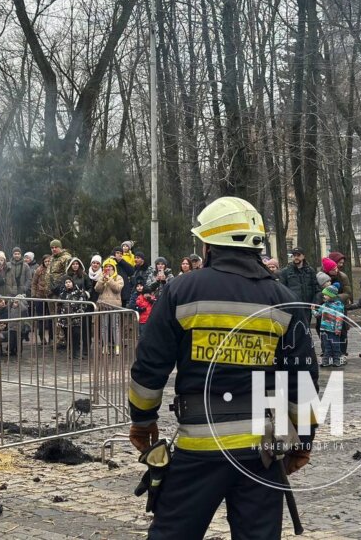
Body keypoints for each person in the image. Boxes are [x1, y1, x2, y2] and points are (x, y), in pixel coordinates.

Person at [128, 196, 316, 539]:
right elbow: (302, 379)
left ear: (209, 243)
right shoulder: (284, 298)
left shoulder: (180, 290)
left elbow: (149, 366)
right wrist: (303, 439)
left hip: (199, 448)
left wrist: (143, 422)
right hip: (263, 452)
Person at [95, 258, 125, 352]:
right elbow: (97, 289)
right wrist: (102, 281)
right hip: (103, 304)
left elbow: (118, 289)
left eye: (110, 267)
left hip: (114, 305)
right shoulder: (101, 276)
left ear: (114, 268)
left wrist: (110, 280)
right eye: (106, 267)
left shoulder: (118, 277)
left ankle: (117, 346)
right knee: (104, 326)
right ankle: (105, 346)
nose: (108, 269)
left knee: (115, 326)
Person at [315, 286, 345, 367]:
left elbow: (339, 318)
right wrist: (313, 311)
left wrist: (338, 329)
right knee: (326, 346)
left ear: (331, 295)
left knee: (335, 346)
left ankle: (337, 360)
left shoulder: (338, 306)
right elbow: (318, 314)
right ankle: (326, 361)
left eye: (325, 295)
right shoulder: (324, 305)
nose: (324, 296)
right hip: (324, 329)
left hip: (333, 330)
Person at [31, 254, 52, 344]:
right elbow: (34, 283)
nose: (47, 263)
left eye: (49, 261)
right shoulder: (39, 270)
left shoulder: (53, 270)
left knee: (51, 317)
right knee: (41, 318)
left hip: (50, 296)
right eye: (46, 261)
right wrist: (34, 295)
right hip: (40, 296)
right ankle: (42, 336)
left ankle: (51, 337)